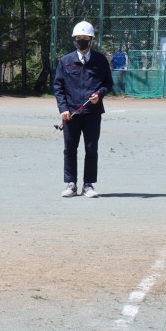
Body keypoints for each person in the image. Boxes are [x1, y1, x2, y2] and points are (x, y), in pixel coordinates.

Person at [52, 20, 113, 198]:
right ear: (74, 40)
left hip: (93, 114)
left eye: (85, 38)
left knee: (91, 149)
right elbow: (58, 86)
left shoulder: (100, 60)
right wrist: (63, 108)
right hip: (70, 114)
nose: (82, 41)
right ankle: (71, 184)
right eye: (79, 38)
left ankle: (88, 185)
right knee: (69, 149)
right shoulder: (65, 61)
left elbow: (108, 84)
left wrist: (99, 94)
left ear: (91, 40)